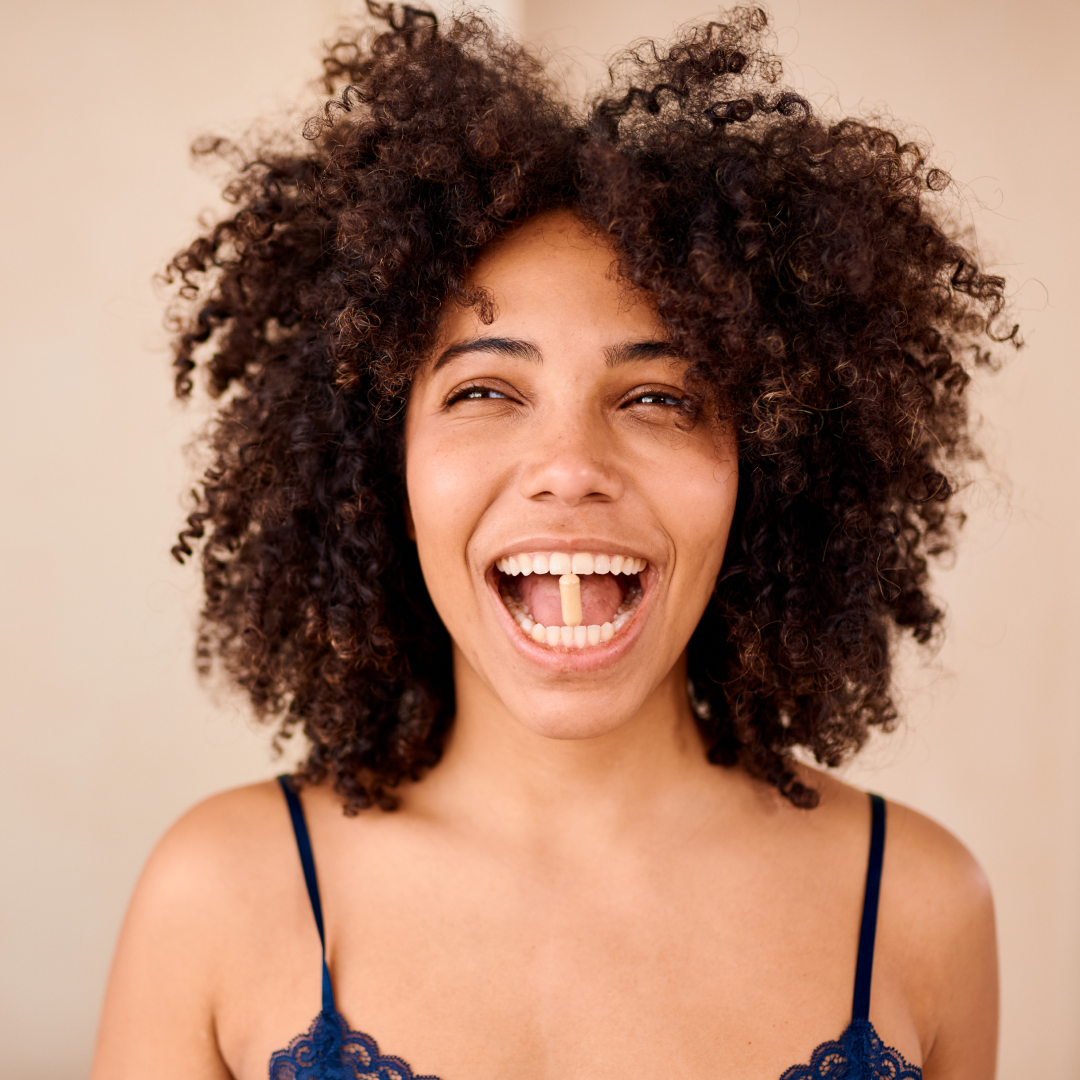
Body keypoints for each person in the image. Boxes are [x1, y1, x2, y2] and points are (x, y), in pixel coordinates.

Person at [91, 5, 1012, 1078]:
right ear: (375, 461)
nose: (570, 464)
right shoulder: (219, 892)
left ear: (768, 466)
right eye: (486, 388)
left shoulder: (917, 903)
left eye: (660, 398)